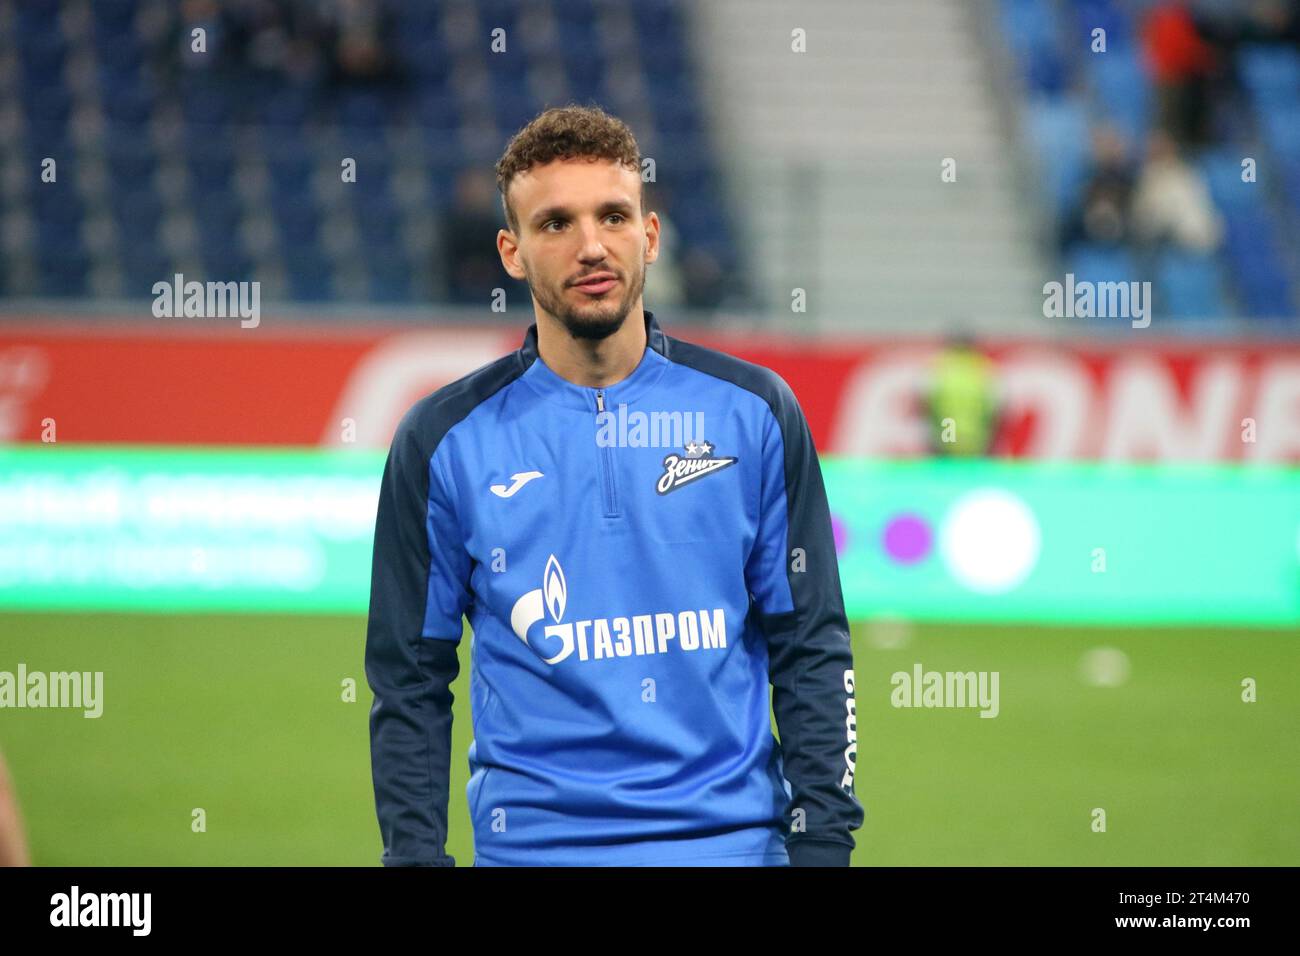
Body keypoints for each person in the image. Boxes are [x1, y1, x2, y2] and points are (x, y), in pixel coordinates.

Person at [365, 105, 863, 867]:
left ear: (650, 235)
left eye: (613, 216)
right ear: (512, 251)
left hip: (732, 852)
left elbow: (811, 645)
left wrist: (823, 843)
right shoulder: (442, 442)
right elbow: (409, 678)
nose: (591, 246)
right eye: (556, 223)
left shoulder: (755, 413)